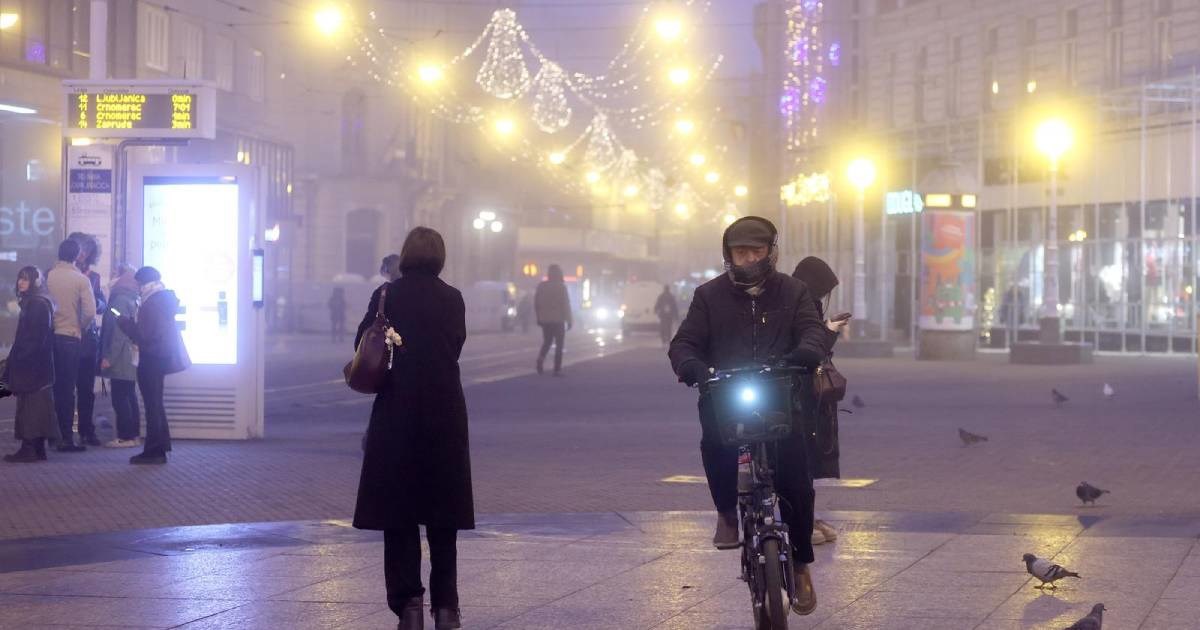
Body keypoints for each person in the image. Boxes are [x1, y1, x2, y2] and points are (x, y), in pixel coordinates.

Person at [668, 216, 829, 616]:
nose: (749, 258)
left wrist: (807, 353)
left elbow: (812, 331)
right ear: (729, 256)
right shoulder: (708, 296)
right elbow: (684, 341)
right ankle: (726, 510)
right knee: (715, 442)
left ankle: (802, 562)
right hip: (724, 392)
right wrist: (691, 365)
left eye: (756, 251)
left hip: (778, 392)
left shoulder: (794, 291)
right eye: (741, 252)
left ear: (771, 252)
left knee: (796, 478)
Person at [353, 227, 474, 630]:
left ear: (404, 256)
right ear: (440, 256)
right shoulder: (453, 298)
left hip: (397, 414)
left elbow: (362, 347)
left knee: (399, 513)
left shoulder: (388, 295)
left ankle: (409, 606)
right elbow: (455, 345)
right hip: (445, 413)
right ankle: (447, 609)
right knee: (443, 517)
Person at [791, 256, 850, 546]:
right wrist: (829, 331)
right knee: (800, 461)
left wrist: (829, 329)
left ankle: (808, 517)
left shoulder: (808, 305)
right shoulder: (797, 308)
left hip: (813, 398)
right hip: (800, 396)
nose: (825, 296)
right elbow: (809, 351)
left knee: (810, 461)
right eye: (823, 289)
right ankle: (799, 521)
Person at [117, 267, 190, 465]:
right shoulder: (162, 299)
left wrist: (125, 324)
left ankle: (153, 451)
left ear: (144, 283)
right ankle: (160, 446)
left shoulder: (152, 303)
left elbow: (144, 335)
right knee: (155, 403)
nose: (137, 288)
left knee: (152, 405)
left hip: (151, 358)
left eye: (138, 284)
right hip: (160, 357)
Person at [3, 267, 60, 462]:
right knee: (37, 406)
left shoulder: (36, 304)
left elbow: (34, 338)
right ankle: (37, 448)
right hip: (38, 366)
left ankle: (30, 448)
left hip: (32, 366)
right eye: (20, 278)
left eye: (26, 279)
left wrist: (19, 359)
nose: (21, 282)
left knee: (30, 406)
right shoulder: (38, 302)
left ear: (35, 282)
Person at [45, 238, 97, 452]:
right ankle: (67, 438)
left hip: (48, 338)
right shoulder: (80, 280)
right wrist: (79, 327)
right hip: (69, 337)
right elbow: (90, 312)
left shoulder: (47, 275)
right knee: (67, 389)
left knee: (51, 387)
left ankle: (51, 434)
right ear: (77, 256)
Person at [68, 233, 106, 447]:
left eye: (87, 251)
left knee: (85, 389)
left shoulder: (94, 277)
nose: (83, 254)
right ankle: (61, 431)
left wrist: (93, 304)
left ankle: (86, 430)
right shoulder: (57, 273)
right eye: (80, 249)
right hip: (66, 334)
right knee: (63, 387)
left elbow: (102, 303)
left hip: (87, 339)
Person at [100, 264, 141, 448]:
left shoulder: (119, 301)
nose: (112, 277)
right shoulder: (133, 298)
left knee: (120, 396)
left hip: (121, 356)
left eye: (115, 274)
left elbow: (117, 332)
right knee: (129, 394)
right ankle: (133, 435)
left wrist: (109, 356)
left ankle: (126, 436)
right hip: (129, 355)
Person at [534, 264, 572, 376]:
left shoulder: (541, 286)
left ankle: (541, 358)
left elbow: (537, 303)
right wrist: (569, 320)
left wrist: (538, 317)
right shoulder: (561, 287)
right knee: (559, 344)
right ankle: (557, 369)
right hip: (558, 319)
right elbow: (566, 304)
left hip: (546, 320)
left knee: (547, 342)